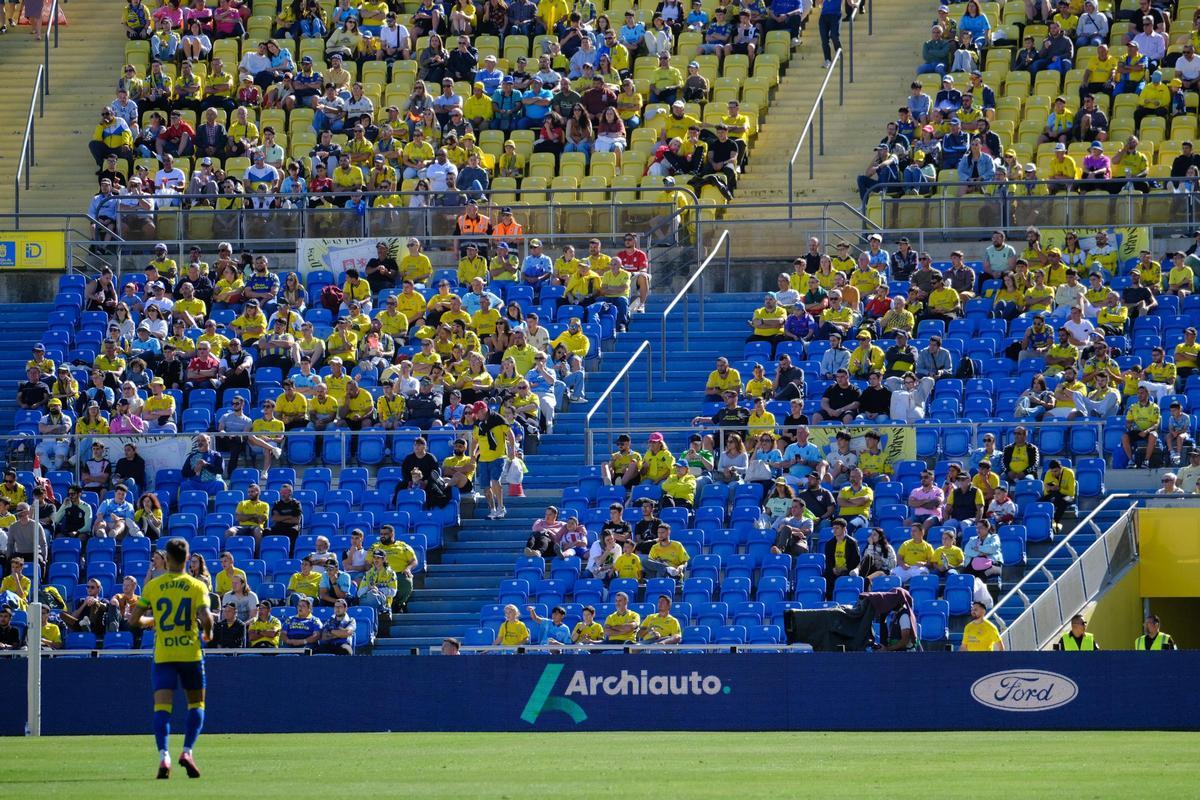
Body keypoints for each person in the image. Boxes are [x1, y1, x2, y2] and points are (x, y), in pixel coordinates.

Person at [130, 537, 213, 779]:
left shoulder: (154, 586)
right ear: (187, 559)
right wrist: (207, 633)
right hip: (190, 653)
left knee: (162, 707)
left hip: (164, 654)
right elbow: (207, 616)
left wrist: (153, 621)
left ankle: (164, 755)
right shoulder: (196, 585)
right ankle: (187, 751)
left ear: (166, 560)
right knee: (196, 704)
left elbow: (134, 620)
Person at [822, 518, 860, 598]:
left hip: (847, 570)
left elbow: (856, 560)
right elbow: (828, 561)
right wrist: (833, 569)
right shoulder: (829, 543)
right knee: (826, 575)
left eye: (837, 528)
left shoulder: (852, 543)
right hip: (834, 570)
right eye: (833, 528)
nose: (834, 530)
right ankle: (828, 602)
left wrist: (843, 569)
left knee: (845, 576)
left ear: (844, 529)